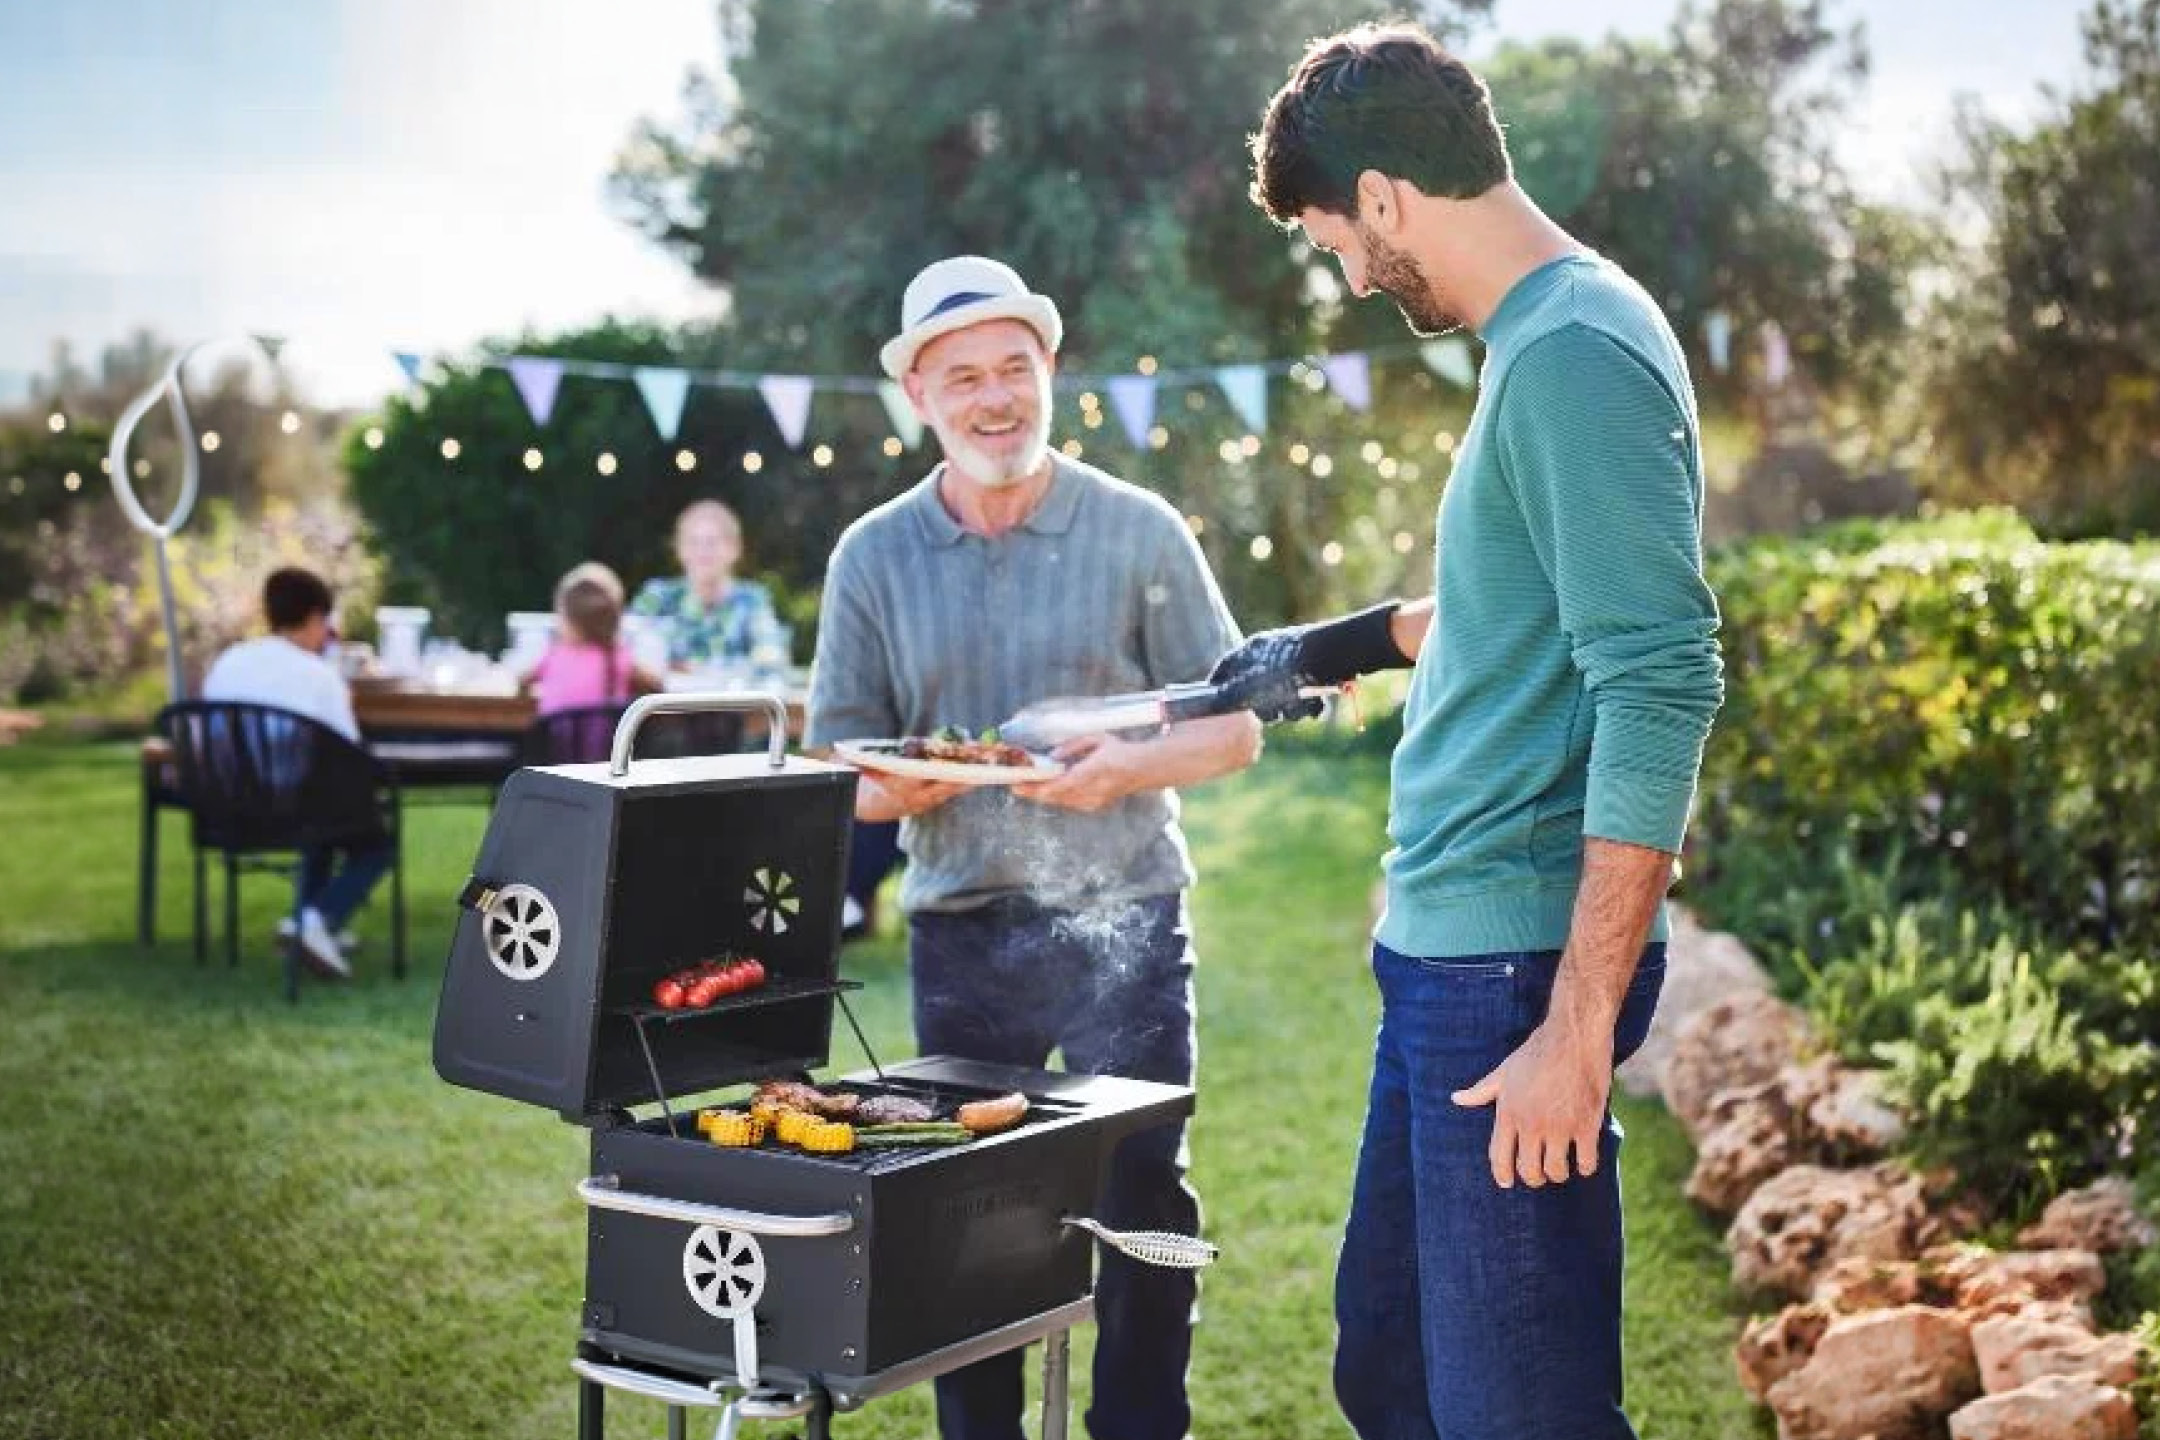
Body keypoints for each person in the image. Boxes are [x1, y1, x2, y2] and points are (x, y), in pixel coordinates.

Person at [1209, 26, 1725, 1440]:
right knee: (1391, 1371)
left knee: (1519, 1416)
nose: (1354, 275)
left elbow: (1661, 677)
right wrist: (1323, 648)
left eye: (1337, 242)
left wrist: (1573, 1025)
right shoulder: (1546, 338)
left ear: (1383, 197)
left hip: (1509, 974)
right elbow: (1512, 608)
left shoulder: (1574, 355)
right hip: (1450, 952)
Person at [807, 254, 1261, 1440]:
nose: (995, 396)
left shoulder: (1140, 529)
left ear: (1051, 371)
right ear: (920, 393)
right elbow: (836, 781)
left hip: (1128, 920)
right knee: (970, 1219)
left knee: (1142, 1199)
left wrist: (1123, 768)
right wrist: (901, 783)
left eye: (1016, 367)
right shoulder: (872, 556)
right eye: (965, 376)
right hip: (964, 929)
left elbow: (1234, 730)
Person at [201, 567, 392, 982]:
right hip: (293, 810)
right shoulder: (318, 677)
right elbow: (349, 750)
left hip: (224, 807)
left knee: (325, 823)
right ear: (313, 618)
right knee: (376, 841)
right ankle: (317, 919)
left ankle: (312, 924)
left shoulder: (230, 662)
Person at [629, 499, 788, 669]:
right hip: (668, 694)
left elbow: (770, 654)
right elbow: (626, 649)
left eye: (712, 542)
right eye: (693, 542)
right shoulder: (657, 596)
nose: (702, 551)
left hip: (732, 694)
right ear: (679, 550)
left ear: (734, 549)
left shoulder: (751, 600)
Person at [523, 562, 662, 715]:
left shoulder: (553, 656)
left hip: (555, 738)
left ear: (566, 620)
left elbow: (521, 681)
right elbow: (655, 686)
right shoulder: (621, 659)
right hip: (612, 739)